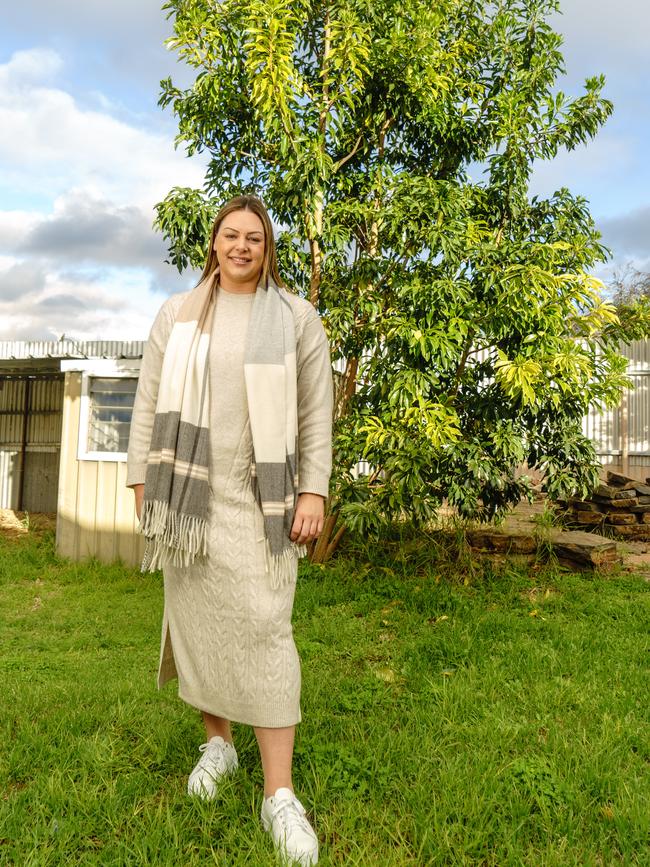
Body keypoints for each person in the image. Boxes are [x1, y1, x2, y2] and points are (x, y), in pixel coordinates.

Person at [126, 194, 333, 866]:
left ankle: (280, 794)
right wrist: (139, 480)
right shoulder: (176, 315)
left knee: (268, 628)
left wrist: (313, 489)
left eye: (253, 237)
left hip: (261, 495)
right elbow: (149, 399)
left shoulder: (298, 318)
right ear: (213, 242)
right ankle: (218, 741)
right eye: (229, 235)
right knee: (202, 625)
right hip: (189, 497)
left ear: (267, 246)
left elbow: (314, 415)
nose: (240, 246)